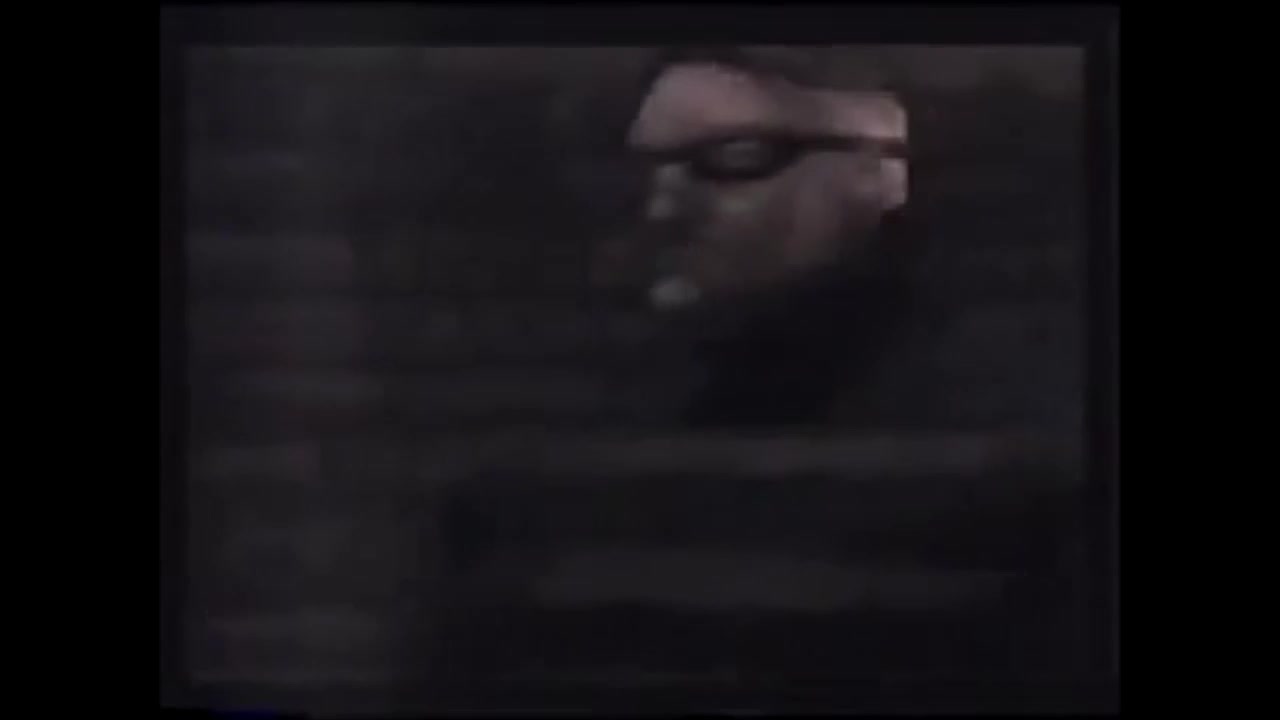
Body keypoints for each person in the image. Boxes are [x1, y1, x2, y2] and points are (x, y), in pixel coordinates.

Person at [593, 46, 922, 427]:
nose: (661, 210)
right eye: (644, 168)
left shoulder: (923, 385)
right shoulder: (644, 372)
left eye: (736, 157)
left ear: (875, 173)